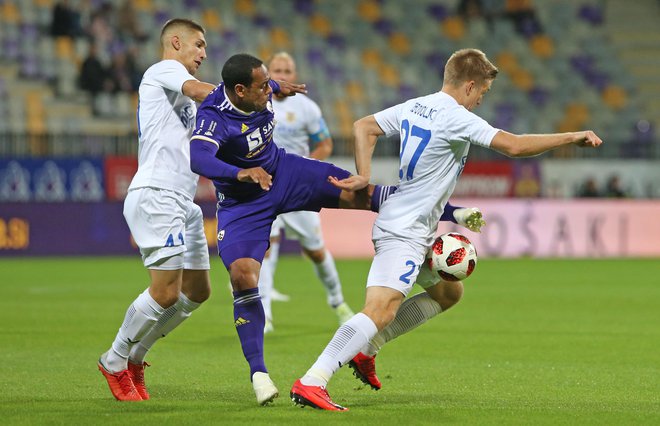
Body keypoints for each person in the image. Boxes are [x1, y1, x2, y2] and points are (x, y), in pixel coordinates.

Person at [290, 48, 603, 411]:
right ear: (470, 86)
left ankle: (366, 350)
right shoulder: (457, 117)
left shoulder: (416, 105)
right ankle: (314, 379)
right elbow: (515, 146)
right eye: (483, 93)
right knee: (380, 308)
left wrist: (364, 174)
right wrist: (571, 137)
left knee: (448, 293)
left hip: (411, 226)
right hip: (403, 232)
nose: (481, 101)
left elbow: (364, 127)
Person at [189, 53, 485, 406]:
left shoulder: (263, 91)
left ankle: (364, 343)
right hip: (243, 202)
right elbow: (199, 159)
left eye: (271, 83)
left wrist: (281, 86)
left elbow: (273, 88)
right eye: (262, 86)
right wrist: (241, 173)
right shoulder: (212, 116)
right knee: (242, 275)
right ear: (239, 91)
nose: (269, 91)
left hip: (283, 173)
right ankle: (259, 373)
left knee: (357, 192)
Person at [97, 18, 216, 402]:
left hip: (184, 201)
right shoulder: (165, 70)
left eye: (204, 48)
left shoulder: (182, 99)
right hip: (157, 193)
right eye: (198, 45)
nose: (202, 53)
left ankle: (136, 356)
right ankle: (113, 359)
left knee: (197, 292)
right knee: (165, 293)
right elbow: (200, 91)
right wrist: (244, 95)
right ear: (176, 42)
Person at [259, 52, 355, 332]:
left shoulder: (307, 108)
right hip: (265, 186)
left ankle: (338, 302)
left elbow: (324, 143)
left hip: (298, 188)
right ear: (268, 74)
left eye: (288, 69)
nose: (283, 74)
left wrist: (307, 168)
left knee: (315, 250)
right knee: (265, 246)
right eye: (277, 69)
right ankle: (264, 314)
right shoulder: (257, 104)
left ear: (295, 74)